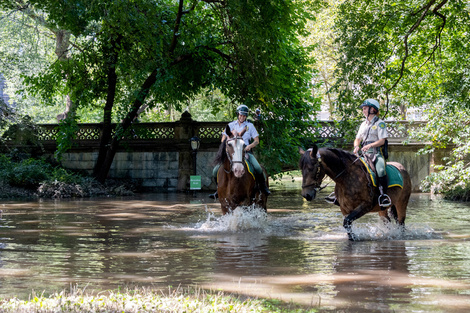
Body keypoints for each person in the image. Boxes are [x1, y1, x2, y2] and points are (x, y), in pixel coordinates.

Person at [209, 104, 271, 199]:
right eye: (241, 115)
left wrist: (249, 146)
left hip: (245, 151)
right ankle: (218, 190)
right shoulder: (230, 125)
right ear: (238, 114)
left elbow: (256, 140)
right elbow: (223, 139)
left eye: (244, 115)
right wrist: (228, 145)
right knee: (215, 171)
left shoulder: (250, 126)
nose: (242, 117)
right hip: (232, 152)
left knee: (258, 168)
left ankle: (262, 187)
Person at [354, 98, 391, 207]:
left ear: (372, 110)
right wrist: (356, 146)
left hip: (375, 153)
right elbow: (357, 138)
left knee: (380, 170)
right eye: (363, 109)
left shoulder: (380, 123)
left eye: (365, 108)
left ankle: (383, 196)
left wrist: (370, 145)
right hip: (362, 153)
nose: (363, 111)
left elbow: (382, 140)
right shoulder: (363, 124)